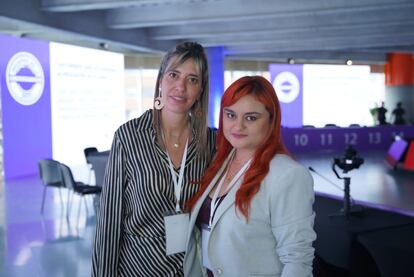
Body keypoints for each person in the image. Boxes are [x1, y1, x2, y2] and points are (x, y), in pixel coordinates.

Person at [91, 42, 216, 276]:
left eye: (192, 79)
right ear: (160, 80)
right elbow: (109, 223)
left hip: (192, 268)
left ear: (201, 90)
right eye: (174, 74)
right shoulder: (129, 137)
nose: (181, 87)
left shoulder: (210, 142)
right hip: (138, 268)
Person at [184, 76, 316, 277]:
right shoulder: (220, 162)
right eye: (230, 115)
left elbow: (297, 260)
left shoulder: (287, 175)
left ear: (272, 121)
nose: (238, 126)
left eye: (251, 118)